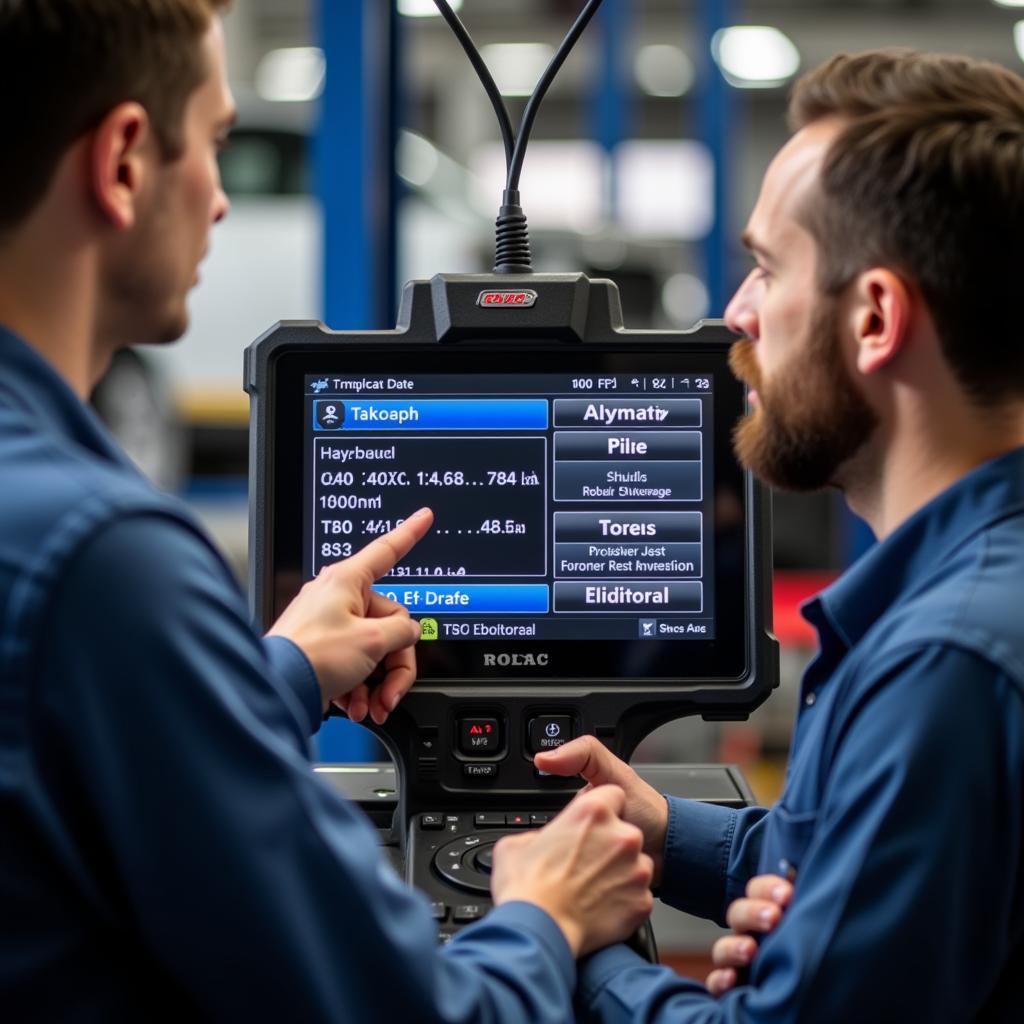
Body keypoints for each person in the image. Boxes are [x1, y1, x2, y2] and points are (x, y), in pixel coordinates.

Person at [0, 3, 654, 1019]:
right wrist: (544, 914)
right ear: (125, 161)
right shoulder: (104, 561)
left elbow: (76, 750)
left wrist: (280, 673)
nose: (219, 200)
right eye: (216, 144)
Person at [538, 49, 1024, 1022]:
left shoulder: (948, 664)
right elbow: (880, 858)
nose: (736, 315)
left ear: (874, 316)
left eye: (765, 268)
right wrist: (664, 833)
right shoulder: (967, 604)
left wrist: (565, 936)